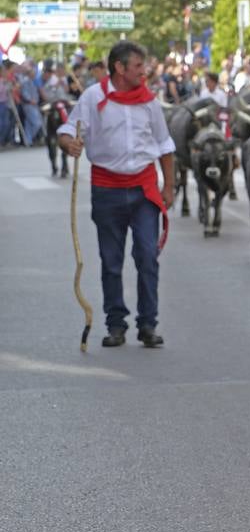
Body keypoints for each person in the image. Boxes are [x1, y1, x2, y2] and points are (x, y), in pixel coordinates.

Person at [56, 40, 176, 348]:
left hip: (144, 190)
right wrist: (68, 144)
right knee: (111, 261)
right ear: (119, 69)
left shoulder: (149, 101)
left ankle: (148, 323)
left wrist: (169, 185)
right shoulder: (93, 98)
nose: (143, 71)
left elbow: (164, 146)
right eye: (137, 66)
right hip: (107, 189)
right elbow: (68, 130)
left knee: (147, 256)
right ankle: (115, 324)